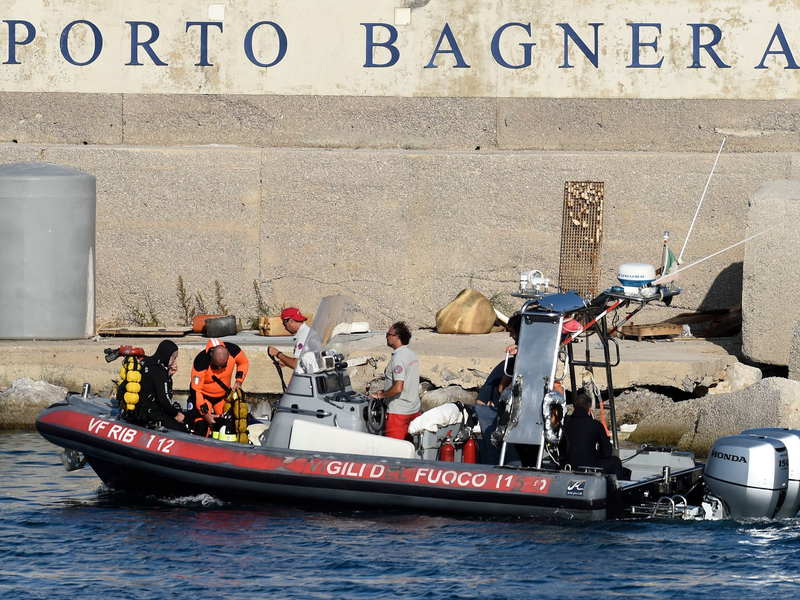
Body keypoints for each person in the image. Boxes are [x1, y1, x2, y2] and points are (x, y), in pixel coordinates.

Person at [185, 338, 250, 437]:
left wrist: (239, 381)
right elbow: (196, 390)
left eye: (223, 365)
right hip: (204, 397)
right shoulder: (201, 362)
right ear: (211, 356)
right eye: (217, 366)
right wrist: (206, 415)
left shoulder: (234, 350)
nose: (220, 369)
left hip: (222, 397)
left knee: (229, 426)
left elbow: (243, 363)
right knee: (201, 427)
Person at [370, 322, 420, 441]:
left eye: (388, 334)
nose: (386, 337)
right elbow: (406, 381)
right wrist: (385, 390)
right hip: (414, 410)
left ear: (396, 336)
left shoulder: (398, 358)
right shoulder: (411, 354)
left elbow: (398, 388)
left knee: (395, 452)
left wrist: (380, 395)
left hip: (399, 414)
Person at [563, 392, 624, 478]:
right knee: (616, 462)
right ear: (590, 409)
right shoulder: (595, 425)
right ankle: (616, 489)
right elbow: (607, 453)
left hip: (567, 466)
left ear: (573, 408)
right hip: (588, 467)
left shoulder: (565, 423)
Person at [137, 340, 188, 432]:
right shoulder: (159, 371)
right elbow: (163, 399)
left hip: (140, 410)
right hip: (151, 413)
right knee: (182, 428)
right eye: (174, 357)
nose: (174, 361)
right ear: (167, 355)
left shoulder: (147, 362)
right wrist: (176, 415)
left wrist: (168, 375)